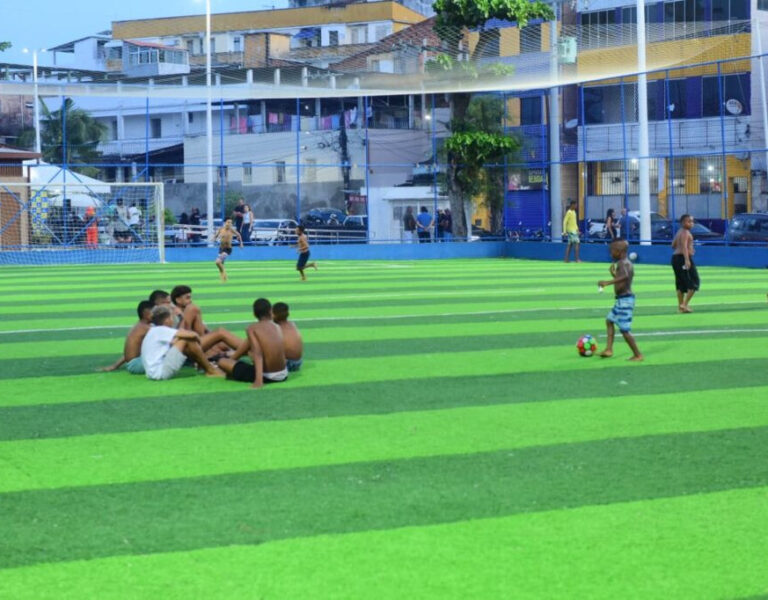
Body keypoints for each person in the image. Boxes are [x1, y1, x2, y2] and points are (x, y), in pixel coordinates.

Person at [217, 298, 288, 388]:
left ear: (254, 314)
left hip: (268, 377)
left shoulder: (252, 328)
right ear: (270, 311)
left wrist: (258, 380)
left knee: (222, 362)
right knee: (249, 341)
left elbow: (257, 354)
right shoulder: (277, 326)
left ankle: (232, 359)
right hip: (284, 374)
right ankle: (233, 358)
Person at [140, 305, 224, 380]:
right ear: (166, 320)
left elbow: (173, 342)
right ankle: (210, 370)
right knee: (185, 339)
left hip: (153, 373)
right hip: (160, 372)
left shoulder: (154, 331)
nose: (173, 320)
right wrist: (196, 338)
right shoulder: (161, 329)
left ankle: (205, 367)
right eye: (171, 318)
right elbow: (192, 335)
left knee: (183, 339)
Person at [597, 239, 643, 361]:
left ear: (618, 251)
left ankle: (638, 354)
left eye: (611, 250)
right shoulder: (623, 263)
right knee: (609, 321)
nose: (610, 253)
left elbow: (626, 276)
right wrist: (614, 275)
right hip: (621, 300)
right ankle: (609, 349)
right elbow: (624, 279)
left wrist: (608, 282)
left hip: (625, 301)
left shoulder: (623, 263)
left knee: (624, 329)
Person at [100, 300, 154, 373]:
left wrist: (115, 365)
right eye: (153, 313)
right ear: (145, 314)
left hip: (133, 364)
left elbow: (129, 353)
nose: (156, 315)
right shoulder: (145, 328)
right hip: (136, 365)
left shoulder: (139, 325)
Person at [671, 213, 700, 313]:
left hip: (675, 258)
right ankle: (684, 304)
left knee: (680, 283)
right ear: (683, 223)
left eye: (692, 221)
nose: (691, 223)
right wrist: (687, 259)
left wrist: (687, 248)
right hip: (683, 259)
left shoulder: (679, 232)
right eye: (689, 221)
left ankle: (680, 306)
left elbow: (673, 245)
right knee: (694, 281)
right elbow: (683, 247)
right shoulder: (686, 233)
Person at [272, 301, 303, 372]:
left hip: (287, 364)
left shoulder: (276, 328)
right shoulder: (292, 324)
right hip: (298, 362)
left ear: (274, 315)